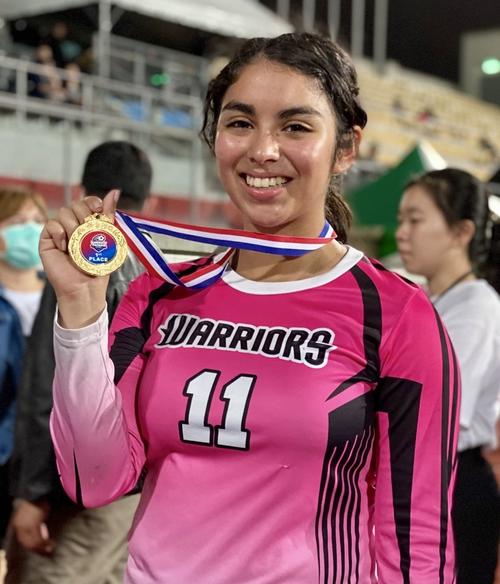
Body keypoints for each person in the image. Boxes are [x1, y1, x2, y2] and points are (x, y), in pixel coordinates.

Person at [41, 33, 459, 583]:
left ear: (347, 148)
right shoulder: (159, 295)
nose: (263, 150)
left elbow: (417, 540)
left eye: (296, 126)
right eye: (240, 123)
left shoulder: (395, 314)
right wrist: (79, 313)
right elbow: (91, 480)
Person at [6, 141, 152, 584]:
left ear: (80, 192)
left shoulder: (84, 254)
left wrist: (32, 493)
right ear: (151, 201)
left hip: (75, 490)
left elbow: (48, 386)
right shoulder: (161, 268)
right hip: (136, 490)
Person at [396, 168, 500, 584]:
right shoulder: (432, 301)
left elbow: (440, 417)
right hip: (432, 476)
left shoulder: (476, 308)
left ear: (461, 232)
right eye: (402, 219)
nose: (402, 233)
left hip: (454, 484)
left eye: (416, 220)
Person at [0, 188, 48, 545]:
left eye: (37, 220)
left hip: (42, 461)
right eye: (18, 223)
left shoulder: (63, 297)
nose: (31, 231)